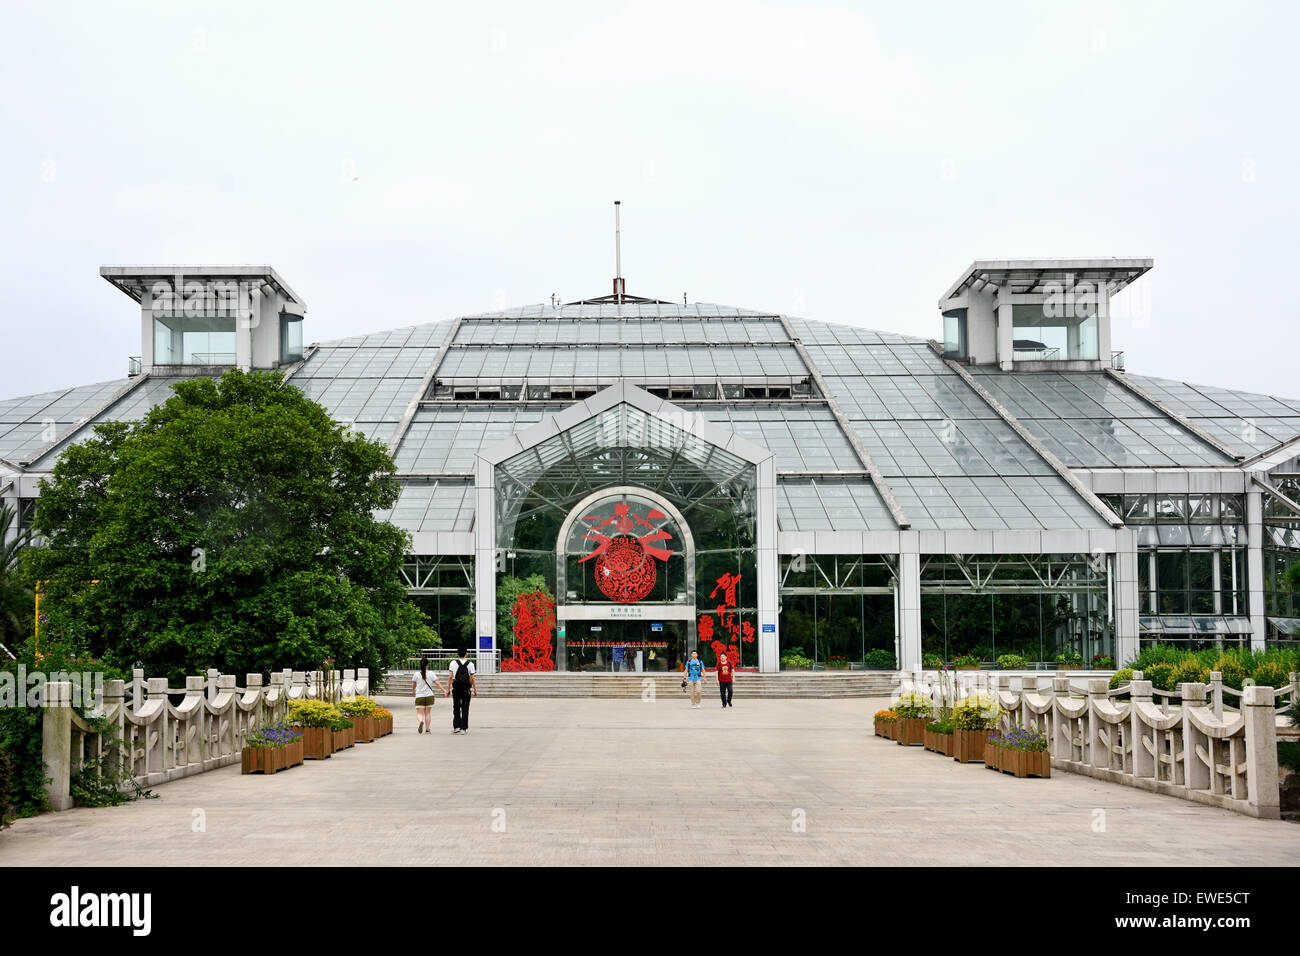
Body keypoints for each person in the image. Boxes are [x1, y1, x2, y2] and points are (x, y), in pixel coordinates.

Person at [447, 646, 477, 734]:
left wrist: (448, 689)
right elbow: (472, 678)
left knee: (456, 707)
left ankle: (457, 727)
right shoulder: (470, 664)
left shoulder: (453, 663)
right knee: (465, 707)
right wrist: (475, 689)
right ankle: (463, 728)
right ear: (466, 653)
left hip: (456, 688)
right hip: (466, 689)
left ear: (457, 653)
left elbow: (450, 677)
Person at [411, 656, 445, 734]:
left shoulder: (416, 674)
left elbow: (414, 685)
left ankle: (421, 721)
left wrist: (413, 691)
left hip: (419, 696)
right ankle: (427, 729)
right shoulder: (431, 673)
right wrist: (444, 690)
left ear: (420, 665)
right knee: (428, 713)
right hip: (429, 695)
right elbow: (437, 683)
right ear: (427, 665)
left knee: (419, 713)